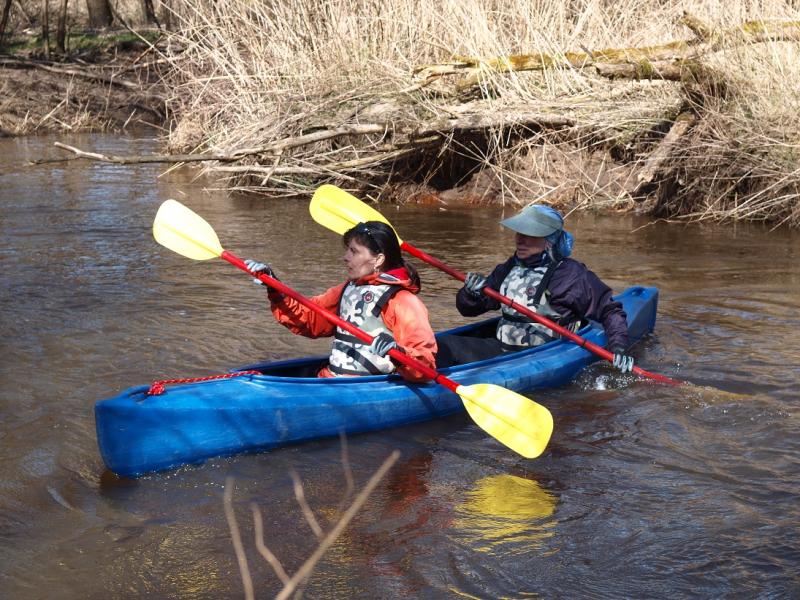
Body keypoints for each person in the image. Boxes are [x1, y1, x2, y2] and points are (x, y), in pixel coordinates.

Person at [436, 204, 635, 373]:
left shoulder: (571, 275)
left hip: (544, 355)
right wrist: (470, 293)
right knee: (441, 346)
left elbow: (610, 311)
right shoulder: (509, 267)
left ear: (549, 240)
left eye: (529, 234)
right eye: (519, 233)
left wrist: (618, 347)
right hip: (502, 350)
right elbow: (469, 310)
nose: (519, 240)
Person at [244, 221, 437, 382]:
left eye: (354, 251)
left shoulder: (403, 301)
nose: (346, 257)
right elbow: (308, 319)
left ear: (378, 259)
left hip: (371, 388)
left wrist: (399, 352)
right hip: (331, 380)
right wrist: (275, 288)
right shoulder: (347, 289)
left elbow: (426, 366)